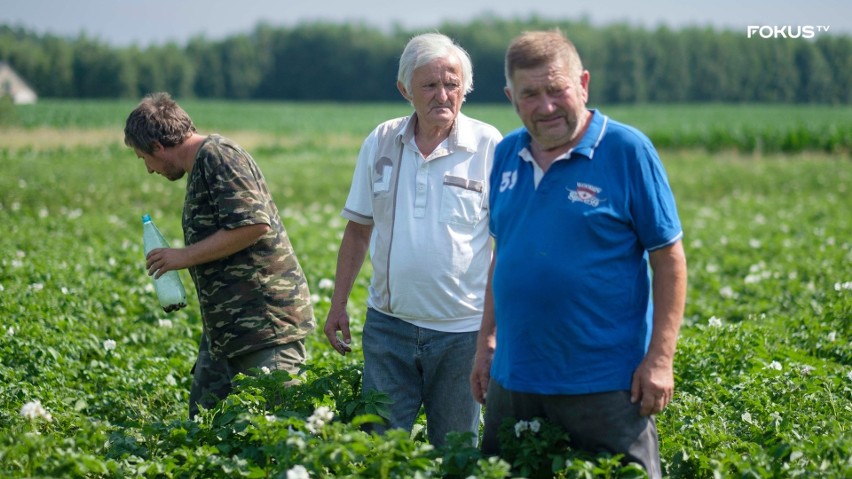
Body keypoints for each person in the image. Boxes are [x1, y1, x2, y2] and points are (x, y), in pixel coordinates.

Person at [469, 30, 687, 478]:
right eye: (530, 94)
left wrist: (660, 360)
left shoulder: (627, 151)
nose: (545, 106)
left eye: (557, 90)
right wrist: (486, 342)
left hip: (604, 383)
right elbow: (504, 253)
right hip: (515, 379)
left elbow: (668, 258)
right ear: (510, 97)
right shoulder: (507, 154)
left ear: (583, 84)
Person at [323, 33, 502, 447]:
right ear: (405, 90)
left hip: (462, 333)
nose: (443, 94)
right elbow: (358, 227)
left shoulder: (489, 145)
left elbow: (506, 245)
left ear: (465, 88)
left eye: (452, 84)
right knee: (379, 451)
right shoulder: (382, 141)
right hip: (389, 327)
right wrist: (338, 304)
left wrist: (493, 330)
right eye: (430, 85)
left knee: (455, 452)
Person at [124, 92, 316, 419]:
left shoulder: (219, 156)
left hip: (263, 326)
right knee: (205, 430)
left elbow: (254, 225)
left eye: (144, 158)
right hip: (227, 332)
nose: (149, 170)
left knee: (287, 434)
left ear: (158, 146)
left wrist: (182, 257)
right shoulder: (202, 164)